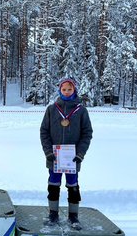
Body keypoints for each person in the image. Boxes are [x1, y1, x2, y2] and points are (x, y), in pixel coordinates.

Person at [40, 78, 93, 230]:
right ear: (59, 90)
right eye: (64, 89)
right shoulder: (52, 109)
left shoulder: (81, 110)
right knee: (53, 183)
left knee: (73, 184)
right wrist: (48, 151)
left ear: (74, 90)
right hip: (54, 157)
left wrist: (80, 153)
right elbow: (44, 131)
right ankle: (53, 213)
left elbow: (87, 133)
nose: (66, 92)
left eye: (69, 89)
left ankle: (73, 215)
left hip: (72, 158)